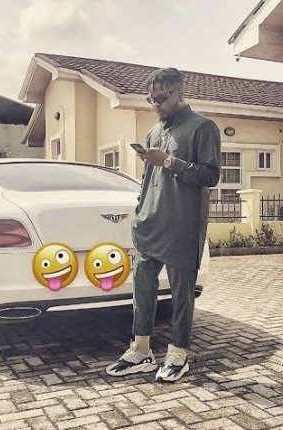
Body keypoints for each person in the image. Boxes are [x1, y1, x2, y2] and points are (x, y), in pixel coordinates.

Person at [106, 67, 221, 382]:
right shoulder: (153, 133)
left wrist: (170, 161)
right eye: (151, 99)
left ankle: (178, 354)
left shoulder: (203, 127)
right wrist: (139, 212)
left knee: (182, 293)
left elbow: (210, 175)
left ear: (180, 93)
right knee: (142, 287)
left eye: (161, 98)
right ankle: (141, 350)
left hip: (183, 225)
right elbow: (148, 178)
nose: (155, 104)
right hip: (150, 223)